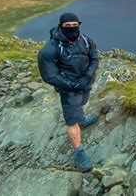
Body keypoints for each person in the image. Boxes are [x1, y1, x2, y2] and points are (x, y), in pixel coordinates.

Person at [37, 12, 100, 172]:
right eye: (67, 26)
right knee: (71, 121)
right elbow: (50, 75)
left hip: (85, 83)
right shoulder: (49, 50)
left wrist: (86, 77)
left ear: (79, 24)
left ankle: (82, 119)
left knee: (83, 102)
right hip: (68, 90)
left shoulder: (86, 41)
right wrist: (72, 85)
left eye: (75, 25)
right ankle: (79, 152)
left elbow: (94, 57)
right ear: (61, 27)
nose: (72, 28)